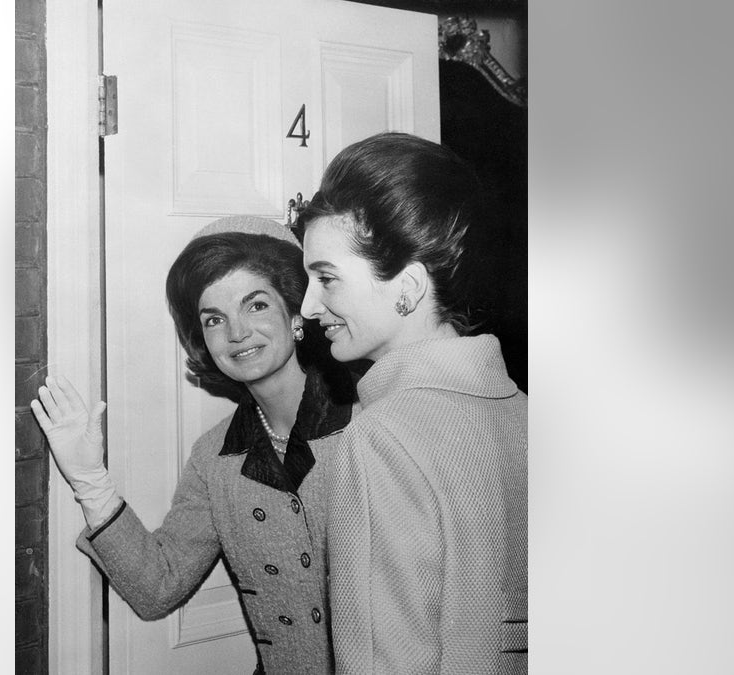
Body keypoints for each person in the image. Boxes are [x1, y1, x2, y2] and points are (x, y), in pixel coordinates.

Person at [31, 216, 356, 675]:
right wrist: (89, 480)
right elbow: (158, 587)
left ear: (296, 311)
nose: (237, 332)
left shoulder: (368, 421)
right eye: (214, 319)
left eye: (257, 305)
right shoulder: (216, 457)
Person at [297, 132, 528, 674]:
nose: (309, 307)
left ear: (409, 286)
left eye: (326, 278)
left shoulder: (383, 437)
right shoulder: (527, 413)